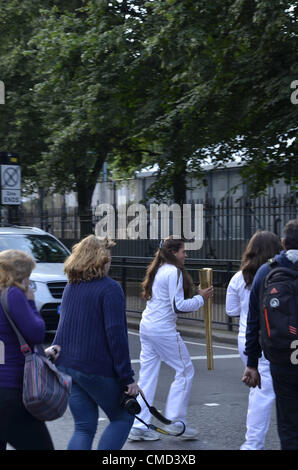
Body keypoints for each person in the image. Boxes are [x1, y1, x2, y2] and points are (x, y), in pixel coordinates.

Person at [53, 235, 140, 450]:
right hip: (95, 368)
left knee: (83, 426)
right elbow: (116, 337)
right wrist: (127, 379)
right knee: (123, 418)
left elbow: (64, 326)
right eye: (108, 255)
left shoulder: (71, 287)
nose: (110, 260)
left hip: (67, 366)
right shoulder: (110, 288)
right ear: (100, 259)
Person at [128, 237, 213, 441]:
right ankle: (176, 421)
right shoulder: (173, 271)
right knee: (185, 370)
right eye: (183, 251)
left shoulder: (158, 269)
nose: (186, 254)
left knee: (147, 376)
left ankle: (138, 425)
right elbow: (178, 306)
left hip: (147, 326)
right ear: (174, 252)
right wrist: (201, 297)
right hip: (162, 329)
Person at [243, 219, 298, 450]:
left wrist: (252, 363)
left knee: (288, 423)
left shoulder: (267, 270)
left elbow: (253, 321)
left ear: (283, 243)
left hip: (282, 357)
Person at [226, 231, 282, 450]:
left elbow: (230, 310)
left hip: (245, 339)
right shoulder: (278, 272)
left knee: (260, 390)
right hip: (270, 338)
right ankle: (252, 445)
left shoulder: (239, 277)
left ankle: (253, 444)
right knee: (266, 393)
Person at [0, 249, 54, 450]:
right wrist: (30, 301)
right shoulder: (13, 294)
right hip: (10, 394)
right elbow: (36, 333)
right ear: (20, 274)